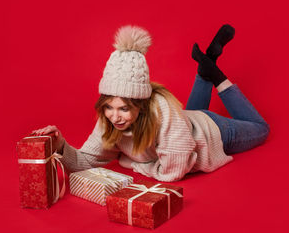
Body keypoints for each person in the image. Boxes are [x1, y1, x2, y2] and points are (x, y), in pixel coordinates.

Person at [31, 24, 270, 182]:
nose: (115, 117)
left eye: (124, 108)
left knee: (260, 128)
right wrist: (61, 144)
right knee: (191, 114)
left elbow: (174, 171)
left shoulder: (162, 110)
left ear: (141, 106)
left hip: (212, 132)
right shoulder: (110, 121)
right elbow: (85, 161)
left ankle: (215, 75)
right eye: (109, 107)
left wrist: (133, 164)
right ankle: (205, 67)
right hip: (187, 120)